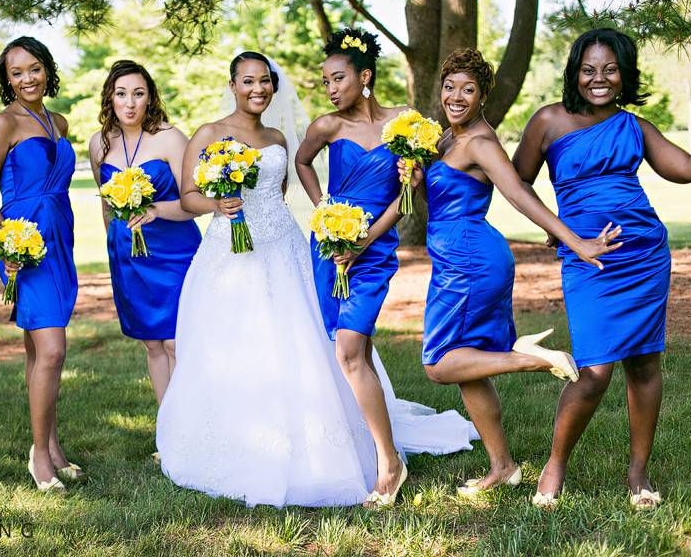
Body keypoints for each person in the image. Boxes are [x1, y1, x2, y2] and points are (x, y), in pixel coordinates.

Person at [156, 51, 477, 509]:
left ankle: (353, 443)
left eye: (264, 81)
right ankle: (246, 438)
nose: (258, 89)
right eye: (247, 81)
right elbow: (189, 196)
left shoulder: (277, 137)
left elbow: (280, 190)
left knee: (308, 340)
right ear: (232, 84)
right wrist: (218, 206)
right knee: (234, 346)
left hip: (284, 246)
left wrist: (333, 210)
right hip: (230, 254)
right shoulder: (209, 133)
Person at [398, 48, 621, 496]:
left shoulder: (480, 142)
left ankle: (534, 361)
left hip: (469, 262)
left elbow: (519, 194)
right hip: (458, 255)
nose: (456, 96)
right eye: (450, 87)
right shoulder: (445, 139)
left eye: (468, 89)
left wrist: (573, 239)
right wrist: (417, 186)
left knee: (440, 365)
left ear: (483, 96)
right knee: (469, 367)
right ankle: (502, 466)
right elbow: (439, 206)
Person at [512, 28, 691, 510]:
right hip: (589, 258)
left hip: (643, 253)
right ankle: (555, 463)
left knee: (645, 363)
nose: (598, 79)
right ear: (573, 73)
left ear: (624, 75)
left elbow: (684, 169)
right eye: (588, 70)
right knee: (596, 370)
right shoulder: (548, 121)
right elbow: (517, 180)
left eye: (609, 69)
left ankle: (638, 473)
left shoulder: (633, 127)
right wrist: (561, 231)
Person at [294, 28, 407, 507]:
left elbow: (405, 200)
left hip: (373, 250)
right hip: (331, 247)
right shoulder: (326, 127)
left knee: (349, 350)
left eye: (337, 78)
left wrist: (364, 241)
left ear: (365, 77)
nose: (330, 88)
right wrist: (325, 213)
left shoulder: (402, 124)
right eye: (325, 81)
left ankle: (388, 462)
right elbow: (302, 163)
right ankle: (373, 443)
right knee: (350, 348)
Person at [0, 37, 81, 491]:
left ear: (47, 69)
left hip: (60, 237)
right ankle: (39, 456)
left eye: (33, 68)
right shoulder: (3, 124)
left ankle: (53, 446)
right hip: (25, 245)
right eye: (16, 73)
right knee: (54, 348)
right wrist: (9, 243)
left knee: (40, 350)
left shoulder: (58, 121)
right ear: (7, 81)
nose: (26, 79)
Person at [88, 60, 201, 406]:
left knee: (177, 343)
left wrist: (154, 210)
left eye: (138, 94)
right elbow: (106, 204)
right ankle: (167, 431)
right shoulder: (99, 144)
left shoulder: (170, 138)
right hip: (129, 256)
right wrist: (115, 240)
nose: (130, 102)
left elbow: (194, 202)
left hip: (175, 252)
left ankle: (193, 427)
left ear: (150, 97)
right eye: (122, 94)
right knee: (153, 344)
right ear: (110, 98)